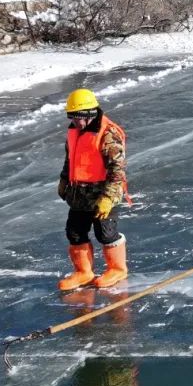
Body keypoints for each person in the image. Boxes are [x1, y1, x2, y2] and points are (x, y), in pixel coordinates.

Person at [57, 88, 130, 290]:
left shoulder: (108, 134)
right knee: (74, 232)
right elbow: (69, 160)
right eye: (73, 117)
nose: (77, 122)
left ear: (90, 114)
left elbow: (117, 170)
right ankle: (83, 272)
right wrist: (64, 180)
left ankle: (117, 268)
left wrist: (108, 198)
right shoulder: (74, 131)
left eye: (80, 117)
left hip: (103, 194)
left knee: (105, 234)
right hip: (79, 194)